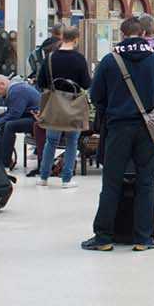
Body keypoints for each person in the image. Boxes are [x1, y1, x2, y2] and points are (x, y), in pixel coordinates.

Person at [83, 15, 154, 251]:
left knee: (111, 182)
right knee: (146, 182)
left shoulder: (110, 60)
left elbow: (96, 96)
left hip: (118, 127)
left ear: (122, 35)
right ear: (144, 34)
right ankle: (144, 238)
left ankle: (103, 238)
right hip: (147, 129)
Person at [35, 27, 91, 187]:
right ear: (76, 39)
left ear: (62, 38)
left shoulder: (50, 57)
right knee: (72, 141)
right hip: (74, 105)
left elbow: (41, 82)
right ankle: (66, 179)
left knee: (51, 141)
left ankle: (44, 177)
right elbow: (86, 83)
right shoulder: (79, 59)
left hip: (55, 105)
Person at [0, 74, 41, 172]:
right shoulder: (15, 88)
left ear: (3, 84)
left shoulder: (16, 91)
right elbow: (12, 112)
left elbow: (14, 115)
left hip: (37, 120)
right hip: (31, 116)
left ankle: (5, 163)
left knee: (9, 126)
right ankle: (3, 159)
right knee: (7, 124)